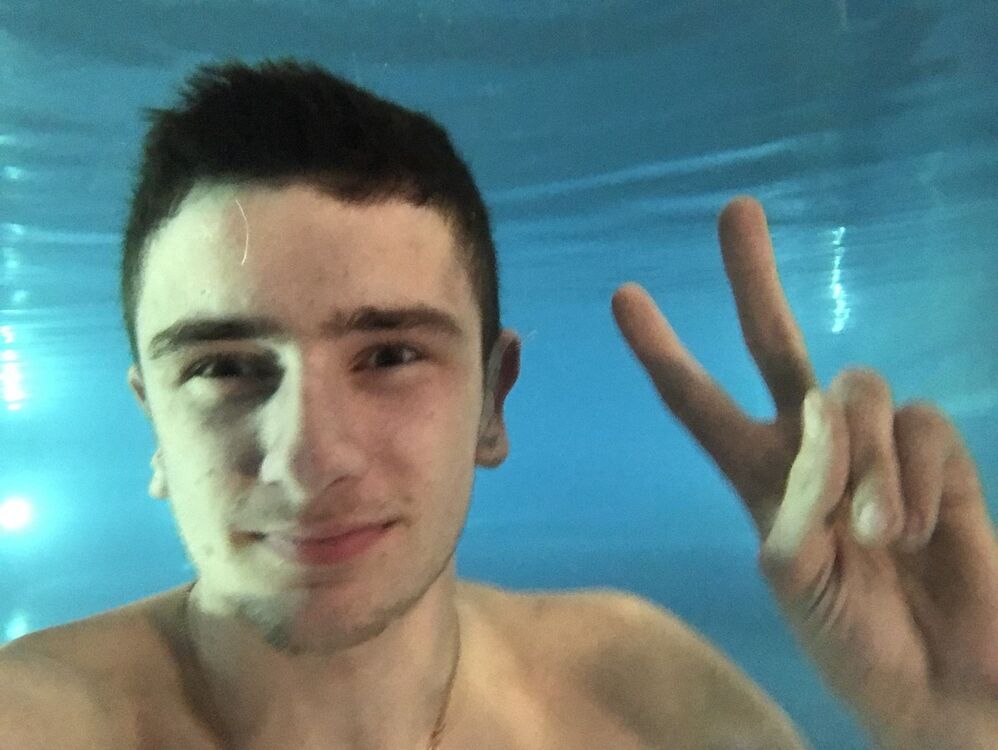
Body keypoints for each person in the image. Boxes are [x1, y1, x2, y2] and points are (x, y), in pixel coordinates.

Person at [1, 58, 995, 750]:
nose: (310, 458)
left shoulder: (647, 699)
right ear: (152, 424)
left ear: (492, 402)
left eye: (390, 354)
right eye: (225, 368)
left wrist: (950, 724)